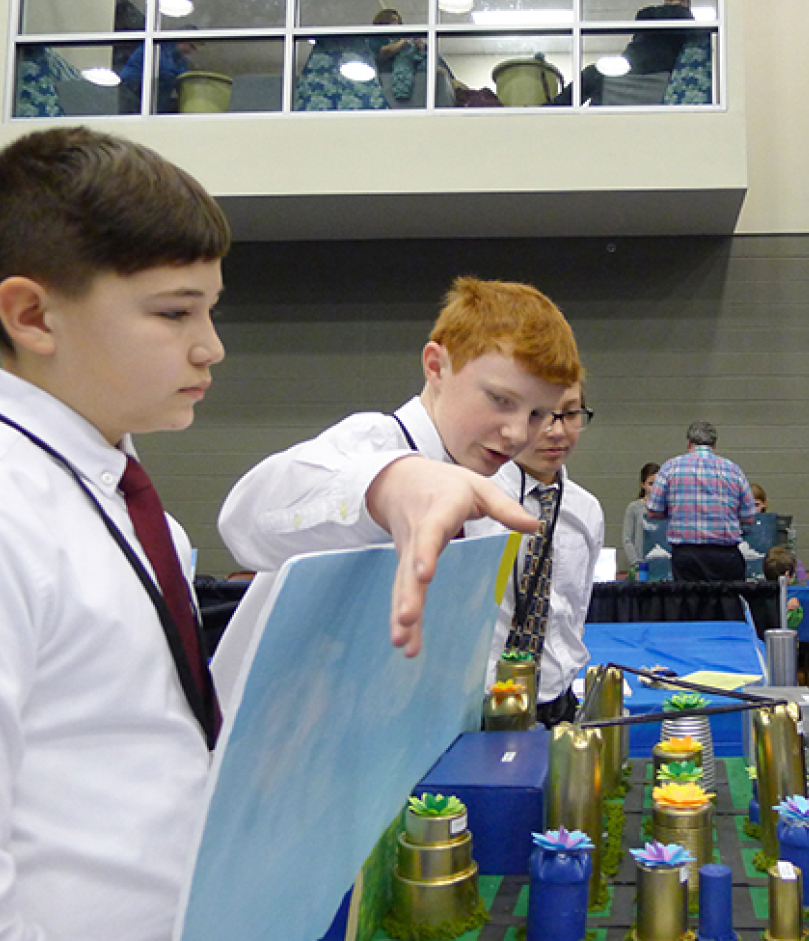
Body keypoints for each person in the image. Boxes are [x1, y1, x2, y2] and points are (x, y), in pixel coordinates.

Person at [0, 127, 231, 938]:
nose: (210, 346)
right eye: (173, 312)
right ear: (33, 314)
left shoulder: (128, 502)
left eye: (209, 310)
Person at [215, 277, 573, 690]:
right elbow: (243, 521)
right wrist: (385, 486)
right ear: (436, 366)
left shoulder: (487, 491)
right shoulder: (369, 444)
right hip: (277, 734)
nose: (515, 433)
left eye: (536, 415)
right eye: (500, 400)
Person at [486, 383, 603, 726]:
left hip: (556, 700)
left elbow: (575, 609)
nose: (557, 432)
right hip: (482, 702)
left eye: (570, 414)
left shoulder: (586, 510)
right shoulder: (474, 502)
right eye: (537, 415)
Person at [647, 420, 756, 582]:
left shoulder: (670, 468)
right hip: (725, 555)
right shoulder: (733, 470)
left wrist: (677, 513)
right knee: (726, 605)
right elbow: (749, 517)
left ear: (688, 443)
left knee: (690, 604)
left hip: (686, 556)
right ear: (715, 445)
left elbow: (652, 510)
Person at [551, 0, 696, 106]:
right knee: (594, 81)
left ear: (684, 3)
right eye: (666, 1)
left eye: (671, 0)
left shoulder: (682, 16)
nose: (666, 5)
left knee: (592, 74)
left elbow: (643, 14)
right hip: (634, 67)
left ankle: (554, 109)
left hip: (646, 69)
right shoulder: (664, 23)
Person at [120, 35, 201, 113]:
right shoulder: (158, 47)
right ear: (183, 41)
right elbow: (165, 70)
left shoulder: (180, 59)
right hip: (131, 88)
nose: (191, 51)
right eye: (192, 47)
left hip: (151, 95)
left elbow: (185, 78)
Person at [622, 461, 660, 568]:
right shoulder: (634, 508)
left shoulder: (667, 507)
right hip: (642, 564)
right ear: (643, 484)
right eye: (651, 484)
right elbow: (627, 539)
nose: (655, 488)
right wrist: (636, 563)